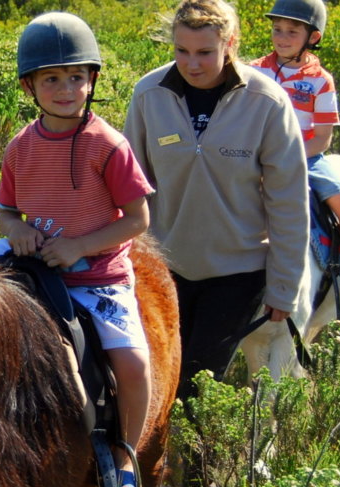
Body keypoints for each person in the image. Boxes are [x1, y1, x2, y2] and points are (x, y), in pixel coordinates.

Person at [0, 12, 155, 487]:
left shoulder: (108, 146)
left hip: (96, 273)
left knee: (132, 362)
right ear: (30, 85)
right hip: (36, 257)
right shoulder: (22, 145)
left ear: (92, 80)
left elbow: (138, 219)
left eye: (76, 77)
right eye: (51, 79)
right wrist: (15, 229)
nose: (66, 89)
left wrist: (81, 246)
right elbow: (5, 208)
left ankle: (125, 456)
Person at [124, 0, 310, 398]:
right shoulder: (148, 95)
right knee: (153, 383)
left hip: (237, 274)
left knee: (194, 386)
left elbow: (289, 205)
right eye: (182, 51)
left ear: (231, 43)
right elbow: (130, 189)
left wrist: (283, 289)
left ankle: (196, 462)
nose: (192, 64)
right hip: (163, 271)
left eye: (205, 52)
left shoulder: (268, 103)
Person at [249, 0, 340, 307]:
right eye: (277, 29)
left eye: (292, 32)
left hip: (305, 158)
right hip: (252, 154)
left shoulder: (321, 81)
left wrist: (288, 159)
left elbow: (322, 138)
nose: (281, 37)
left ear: (313, 37)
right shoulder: (253, 71)